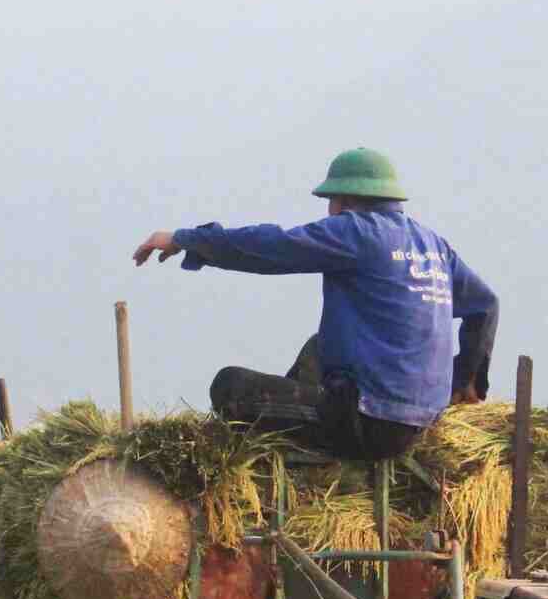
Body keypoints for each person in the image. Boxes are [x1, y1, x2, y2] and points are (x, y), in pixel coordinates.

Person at [131, 147, 499, 460]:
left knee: (230, 387)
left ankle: (284, 445)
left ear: (345, 202)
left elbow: (270, 247)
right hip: (423, 417)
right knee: (318, 347)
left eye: (330, 203)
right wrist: (467, 380)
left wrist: (186, 239)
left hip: (370, 424)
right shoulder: (433, 244)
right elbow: (485, 304)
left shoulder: (357, 232)